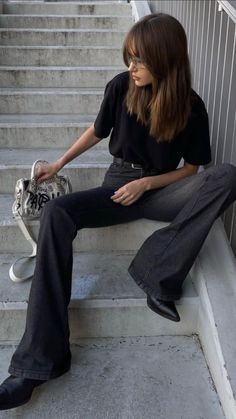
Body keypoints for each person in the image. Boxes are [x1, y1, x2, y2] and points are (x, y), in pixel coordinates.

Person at [1, 12, 236, 411]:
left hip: (161, 189)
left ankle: (156, 271)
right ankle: (36, 364)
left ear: (166, 59)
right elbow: (97, 132)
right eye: (130, 57)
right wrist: (57, 165)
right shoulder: (120, 87)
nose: (132, 66)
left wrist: (147, 184)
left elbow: (193, 169)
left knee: (227, 176)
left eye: (141, 59)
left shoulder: (191, 107)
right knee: (58, 212)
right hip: (115, 186)